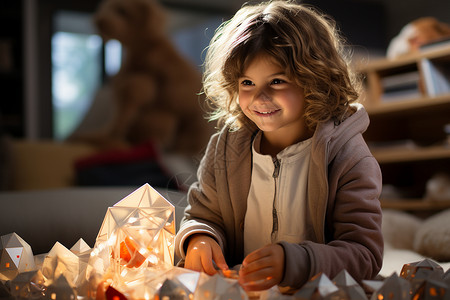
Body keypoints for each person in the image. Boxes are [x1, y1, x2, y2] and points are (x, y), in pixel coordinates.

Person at [174, 0, 383, 293]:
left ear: (315, 79)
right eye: (247, 82)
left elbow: (365, 256)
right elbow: (202, 216)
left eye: (276, 81)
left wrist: (294, 262)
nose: (259, 97)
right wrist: (199, 239)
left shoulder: (348, 156)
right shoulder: (225, 149)